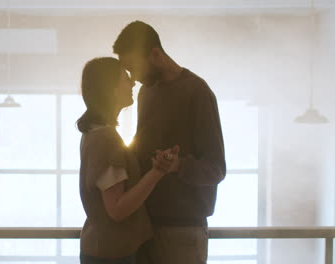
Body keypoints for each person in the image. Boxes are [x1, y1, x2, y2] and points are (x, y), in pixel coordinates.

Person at [113, 21, 227, 264]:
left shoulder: (197, 92)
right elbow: (143, 146)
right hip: (146, 226)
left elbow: (216, 169)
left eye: (134, 67)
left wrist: (178, 166)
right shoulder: (147, 93)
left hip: (182, 231)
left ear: (155, 54)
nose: (133, 78)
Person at [77, 57, 179, 264]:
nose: (133, 83)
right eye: (125, 78)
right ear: (111, 89)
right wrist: (157, 172)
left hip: (103, 249)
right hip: (112, 254)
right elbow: (117, 209)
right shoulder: (105, 139)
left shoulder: (94, 134)